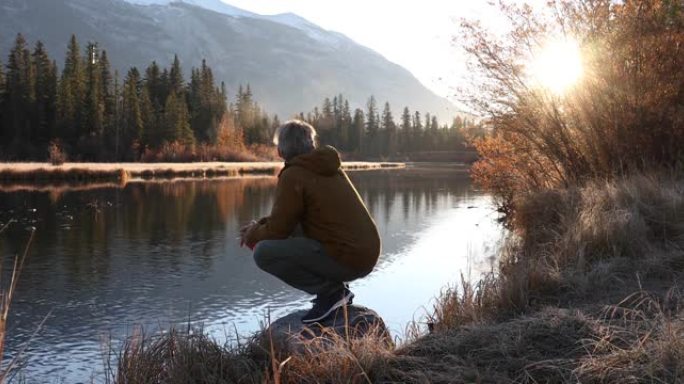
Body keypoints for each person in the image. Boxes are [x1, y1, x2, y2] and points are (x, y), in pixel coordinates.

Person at [240, 120, 381, 324]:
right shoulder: (326, 166)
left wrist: (253, 235)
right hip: (364, 254)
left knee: (263, 252)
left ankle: (332, 293)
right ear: (311, 144)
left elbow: (278, 231)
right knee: (294, 230)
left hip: (349, 258)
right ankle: (335, 293)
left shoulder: (294, 174)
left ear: (280, 151)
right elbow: (288, 219)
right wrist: (259, 226)